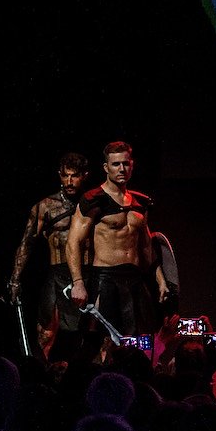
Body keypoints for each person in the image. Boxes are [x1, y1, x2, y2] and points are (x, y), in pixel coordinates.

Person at [66, 141, 168, 339]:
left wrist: (161, 280)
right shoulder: (93, 199)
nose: (122, 169)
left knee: (141, 339)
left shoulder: (141, 202)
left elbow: (146, 247)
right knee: (105, 341)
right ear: (106, 167)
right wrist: (77, 282)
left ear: (132, 165)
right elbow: (73, 243)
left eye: (126, 163)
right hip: (106, 279)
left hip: (135, 279)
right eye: (115, 164)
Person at [6, 152, 92, 358]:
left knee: (91, 334)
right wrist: (15, 279)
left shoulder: (94, 204)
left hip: (88, 273)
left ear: (84, 176)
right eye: (65, 175)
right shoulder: (46, 207)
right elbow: (26, 243)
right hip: (58, 274)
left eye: (75, 176)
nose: (69, 181)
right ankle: (40, 373)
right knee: (46, 333)